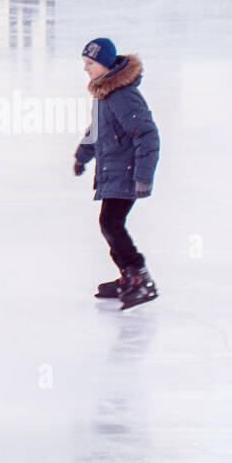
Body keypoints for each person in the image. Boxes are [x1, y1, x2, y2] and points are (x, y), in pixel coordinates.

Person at [72, 39, 160, 309]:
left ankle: (140, 278)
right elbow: (96, 131)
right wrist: (82, 155)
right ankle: (129, 276)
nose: (86, 69)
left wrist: (143, 177)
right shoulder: (105, 95)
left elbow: (147, 136)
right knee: (110, 224)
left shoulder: (122, 95)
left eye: (90, 64)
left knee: (111, 224)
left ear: (106, 65)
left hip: (128, 176)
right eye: (85, 64)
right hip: (114, 174)